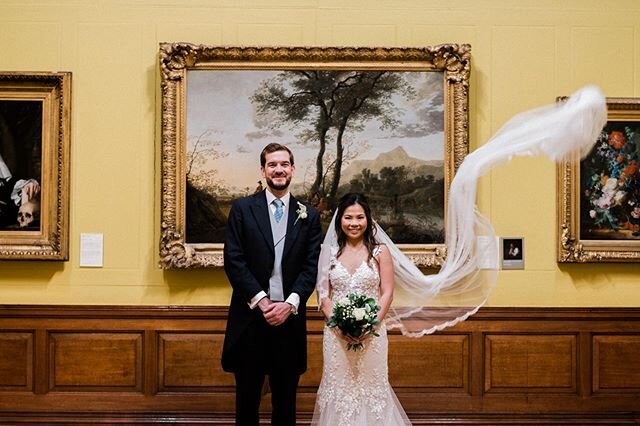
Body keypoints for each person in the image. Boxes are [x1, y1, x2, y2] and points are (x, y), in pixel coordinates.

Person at [222, 142, 322, 426]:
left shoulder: (309, 215)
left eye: (284, 164)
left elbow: (311, 266)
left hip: (288, 321)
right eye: (272, 164)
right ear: (263, 170)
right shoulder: (242, 209)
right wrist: (263, 302)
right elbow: (234, 260)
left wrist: (289, 304)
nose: (278, 170)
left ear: (292, 169)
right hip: (251, 318)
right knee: (247, 403)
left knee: (285, 405)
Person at [312, 193, 411, 425]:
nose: (354, 223)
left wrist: (371, 324)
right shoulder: (328, 252)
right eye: (348, 217)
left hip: (373, 335)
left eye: (359, 217)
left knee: (372, 389)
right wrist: (339, 326)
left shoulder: (380, 251)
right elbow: (323, 295)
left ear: (368, 219)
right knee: (339, 389)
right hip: (336, 335)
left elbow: (387, 292)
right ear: (340, 220)